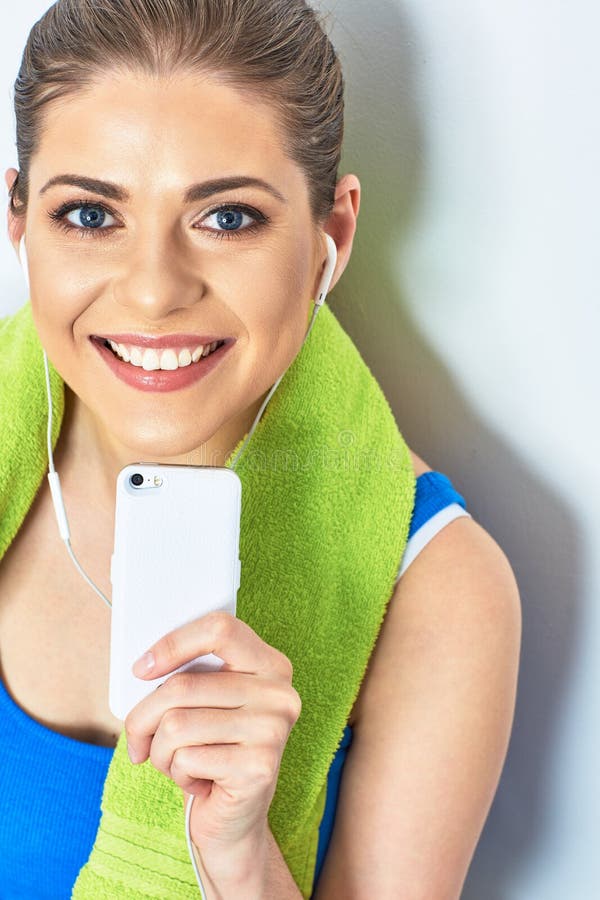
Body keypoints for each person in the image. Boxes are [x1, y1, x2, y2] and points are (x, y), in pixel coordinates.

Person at [0, 0, 522, 897]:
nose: (155, 292)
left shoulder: (439, 593)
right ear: (19, 220)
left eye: (228, 218)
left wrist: (236, 856)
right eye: (90, 215)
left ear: (334, 236)